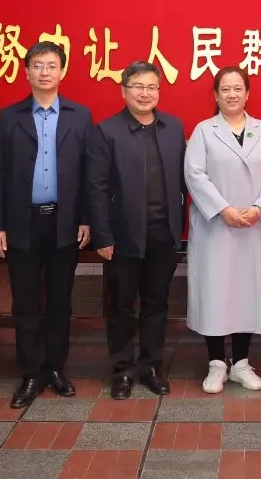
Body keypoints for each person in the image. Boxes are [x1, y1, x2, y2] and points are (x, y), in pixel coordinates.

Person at [0, 41, 92, 409]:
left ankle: (56, 369)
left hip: (64, 222)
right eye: (38, 65)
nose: (45, 72)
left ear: (62, 71)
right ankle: (31, 372)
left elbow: (89, 174)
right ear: (27, 71)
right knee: (26, 301)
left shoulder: (80, 116)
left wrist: (86, 218)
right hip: (23, 222)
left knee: (61, 301)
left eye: (51, 65)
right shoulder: (9, 117)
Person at [86, 62, 187, 400]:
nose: (146, 93)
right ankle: (122, 370)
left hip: (163, 234)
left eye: (152, 87)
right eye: (138, 87)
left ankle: (152, 367)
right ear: (124, 90)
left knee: (157, 303)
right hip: (123, 236)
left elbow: (183, 181)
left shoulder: (173, 127)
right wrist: (102, 235)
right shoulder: (107, 131)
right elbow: (96, 188)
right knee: (121, 306)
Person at [185, 66, 261, 394]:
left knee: (247, 292)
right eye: (225, 89)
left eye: (238, 88)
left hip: (254, 227)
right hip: (215, 226)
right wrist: (223, 209)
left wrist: (258, 208)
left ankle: (241, 362)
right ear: (215, 95)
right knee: (215, 291)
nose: (232, 94)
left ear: (247, 93)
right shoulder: (204, 131)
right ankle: (216, 363)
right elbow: (195, 175)